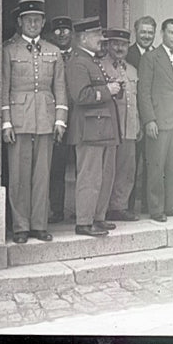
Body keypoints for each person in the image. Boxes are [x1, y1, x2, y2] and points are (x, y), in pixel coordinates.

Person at [1, 0, 67, 243]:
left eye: (37, 20)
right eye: (28, 20)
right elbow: (4, 88)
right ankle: (20, 226)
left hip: (46, 119)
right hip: (19, 119)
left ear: (43, 22)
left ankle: (39, 225)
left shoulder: (53, 51)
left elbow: (60, 88)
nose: (33, 24)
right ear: (20, 22)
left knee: (42, 174)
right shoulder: (9, 50)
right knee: (18, 175)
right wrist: (6, 122)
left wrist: (60, 120)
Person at [64, 17, 121, 237]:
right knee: (90, 176)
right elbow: (80, 96)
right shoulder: (78, 62)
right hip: (90, 130)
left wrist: (114, 88)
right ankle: (84, 222)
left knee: (105, 175)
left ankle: (98, 217)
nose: (102, 39)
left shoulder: (92, 60)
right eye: (97, 35)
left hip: (102, 129)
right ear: (83, 38)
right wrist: (108, 90)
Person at [137, 18, 173, 222]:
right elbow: (143, 91)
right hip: (159, 120)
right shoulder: (151, 58)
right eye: (171, 32)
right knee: (156, 166)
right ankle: (156, 208)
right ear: (162, 33)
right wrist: (149, 120)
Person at [100, 28, 142, 222]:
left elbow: (135, 100)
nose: (119, 48)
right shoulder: (100, 66)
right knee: (106, 169)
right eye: (115, 44)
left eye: (123, 44)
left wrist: (138, 123)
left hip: (129, 126)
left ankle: (119, 206)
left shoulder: (132, 70)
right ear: (108, 45)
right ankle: (101, 208)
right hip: (109, 127)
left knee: (126, 169)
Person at [125, 16, 158, 215]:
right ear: (135, 32)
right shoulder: (127, 54)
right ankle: (127, 206)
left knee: (150, 162)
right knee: (130, 164)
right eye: (143, 32)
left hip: (153, 118)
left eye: (150, 32)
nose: (146, 36)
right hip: (132, 117)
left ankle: (147, 204)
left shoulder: (158, 55)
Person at [48, 16, 76, 224]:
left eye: (66, 30)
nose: (62, 35)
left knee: (81, 165)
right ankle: (57, 210)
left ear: (72, 34)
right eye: (58, 31)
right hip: (56, 118)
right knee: (56, 167)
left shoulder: (80, 56)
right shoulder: (48, 54)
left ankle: (79, 210)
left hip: (78, 118)